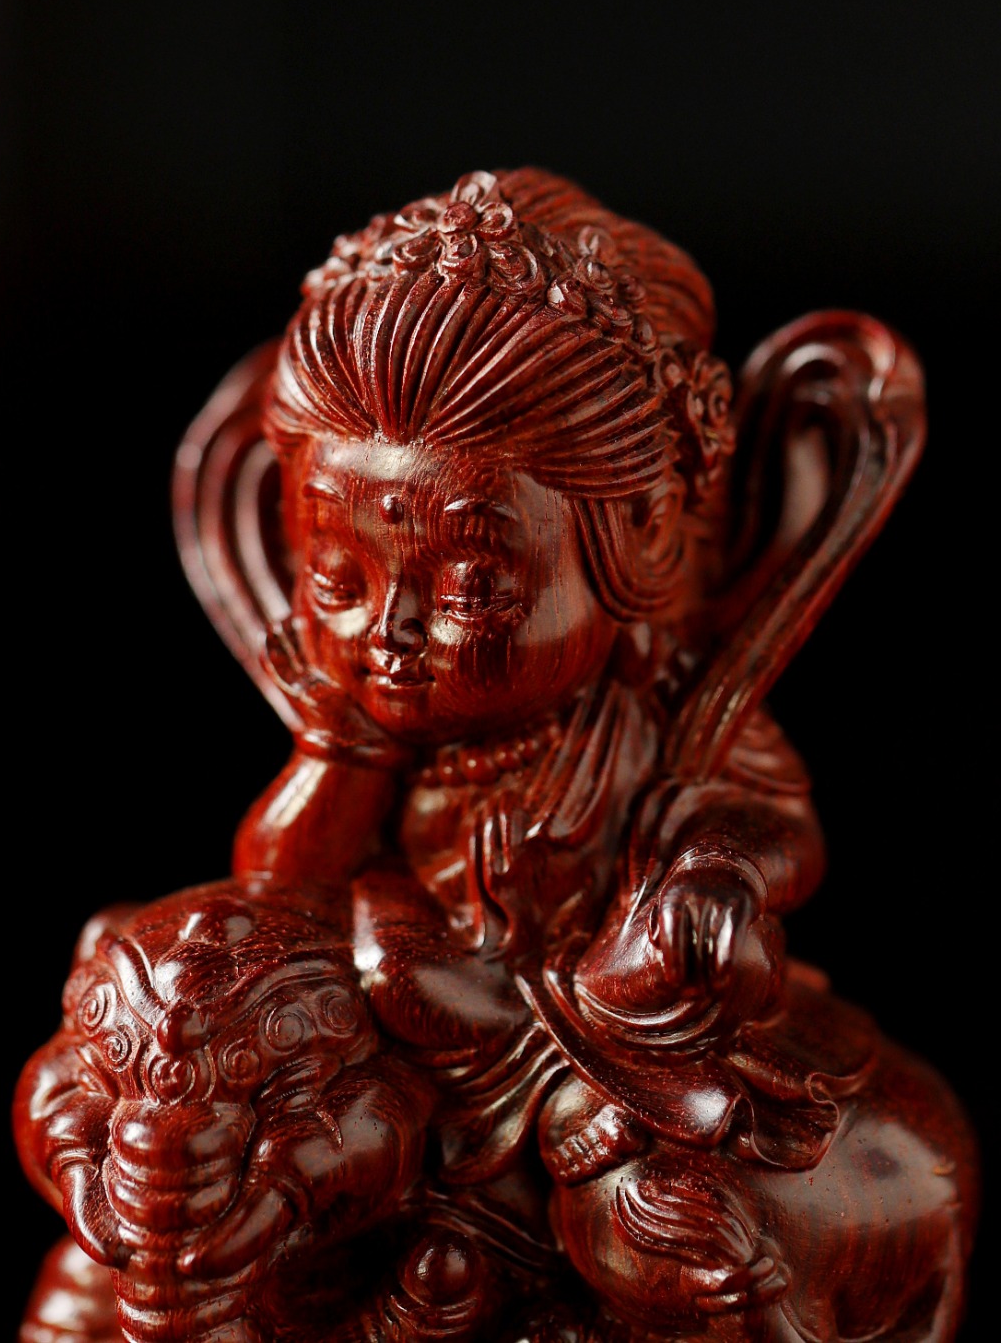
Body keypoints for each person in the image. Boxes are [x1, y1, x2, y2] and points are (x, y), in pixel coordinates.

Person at [185, 170, 975, 1339]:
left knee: (660, 1207)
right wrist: (336, 751)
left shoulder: (654, 726)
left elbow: (772, 827)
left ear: (637, 542)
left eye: (474, 587)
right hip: (395, 1053)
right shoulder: (370, 733)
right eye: (338, 581)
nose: (390, 630)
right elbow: (278, 895)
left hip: (594, 1046)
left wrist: (720, 881)